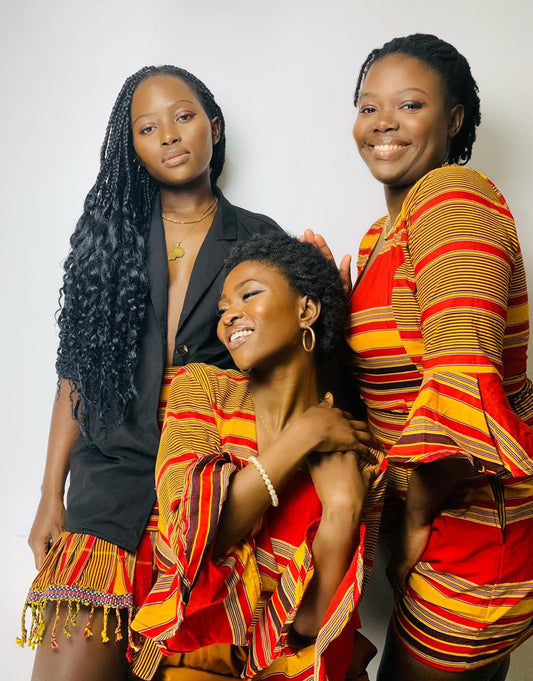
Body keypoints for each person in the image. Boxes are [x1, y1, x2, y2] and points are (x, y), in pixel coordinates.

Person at [18, 65, 282, 681]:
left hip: (209, 499)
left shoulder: (261, 241)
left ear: (213, 127)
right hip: (107, 488)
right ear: (130, 146)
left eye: (184, 117)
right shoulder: (108, 238)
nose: (169, 135)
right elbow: (76, 374)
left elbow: (278, 372)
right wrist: (48, 498)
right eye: (147, 127)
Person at [305, 33, 533, 681]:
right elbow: (382, 389)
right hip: (440, 534)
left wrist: (413, 527)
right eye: (367, 105)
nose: (381, 121)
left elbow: (463, 387)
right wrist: (330, 316)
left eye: (408, 105)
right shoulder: (382, 236)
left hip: (466, 540)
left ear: (453, 119)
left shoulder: (451, 199)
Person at [131, 232, 386, 681]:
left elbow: (310, 625)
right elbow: (191, 537)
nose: (229, 314)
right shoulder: (203, 390)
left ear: (306, 310)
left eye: (249, 294)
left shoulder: (360, 455)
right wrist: (303, 436)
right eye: (223, 309)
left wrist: (343, 513)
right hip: (189, 661)